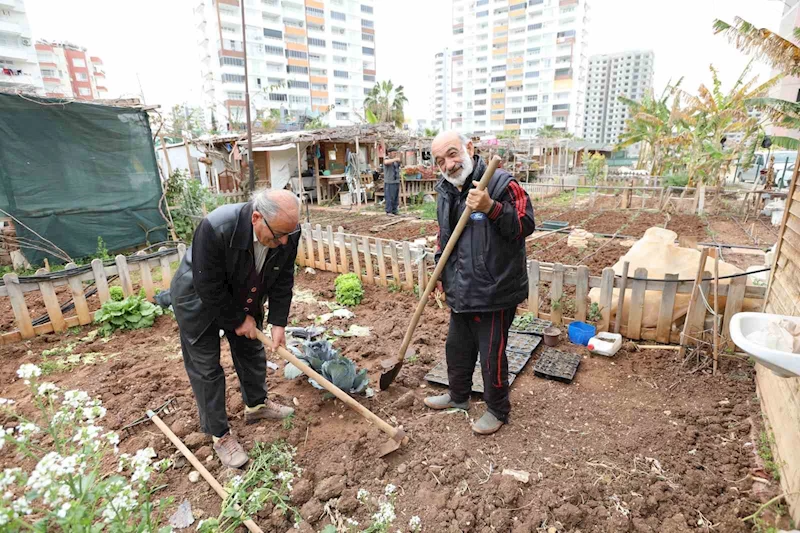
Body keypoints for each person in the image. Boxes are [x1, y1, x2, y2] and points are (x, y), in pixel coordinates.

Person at [170, 189, 300, 468]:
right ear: (256, 218)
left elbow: (283, 277)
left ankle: (256, 405)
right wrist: (238, 320)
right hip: (197, 298)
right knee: (206, 368)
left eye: (289, 234)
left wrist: (279, 321)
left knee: (251, 350)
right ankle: (220, 435)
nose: (285, 242)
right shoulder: (216, 227)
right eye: (278, 235)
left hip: (245, 290)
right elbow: (208, 285)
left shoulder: (287, 232)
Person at [424, 131, 535, 435]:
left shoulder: (501, 183)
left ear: (469, 148)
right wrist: (439, 270)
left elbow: (525, 225)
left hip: (495, 289)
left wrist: (490, 207)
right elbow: (444, 237)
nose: (448, 164)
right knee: (456, 348)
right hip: (460, 286)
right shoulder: (446, 191)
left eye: (452, 154)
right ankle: (458, 397)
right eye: (440, 160)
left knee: (490, 355)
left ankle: (497, 409)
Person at [383, 148, 402, 215]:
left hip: (396, 181)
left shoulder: (395, 161)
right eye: (394, 153)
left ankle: (395, 210)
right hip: (389, 181)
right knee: (389, 197)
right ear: (389, 153)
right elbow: (386, 162)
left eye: (395, 153)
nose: (395, 155)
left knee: (395, 197)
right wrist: (395, 159)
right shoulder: (387, 159)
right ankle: (389, 211)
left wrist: (399, 160)